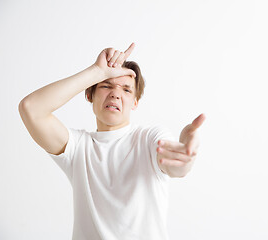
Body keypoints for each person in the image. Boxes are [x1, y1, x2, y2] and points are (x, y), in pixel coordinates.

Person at [18, 43, 206, 240]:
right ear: (89, 95)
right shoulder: (77, 147)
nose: (116, 94)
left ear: (135, 102)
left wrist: (185, 157)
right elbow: (30, 108)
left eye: (126, 90)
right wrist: (97, 71)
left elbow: (175, 167)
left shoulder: (149, 138)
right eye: (106, 85)